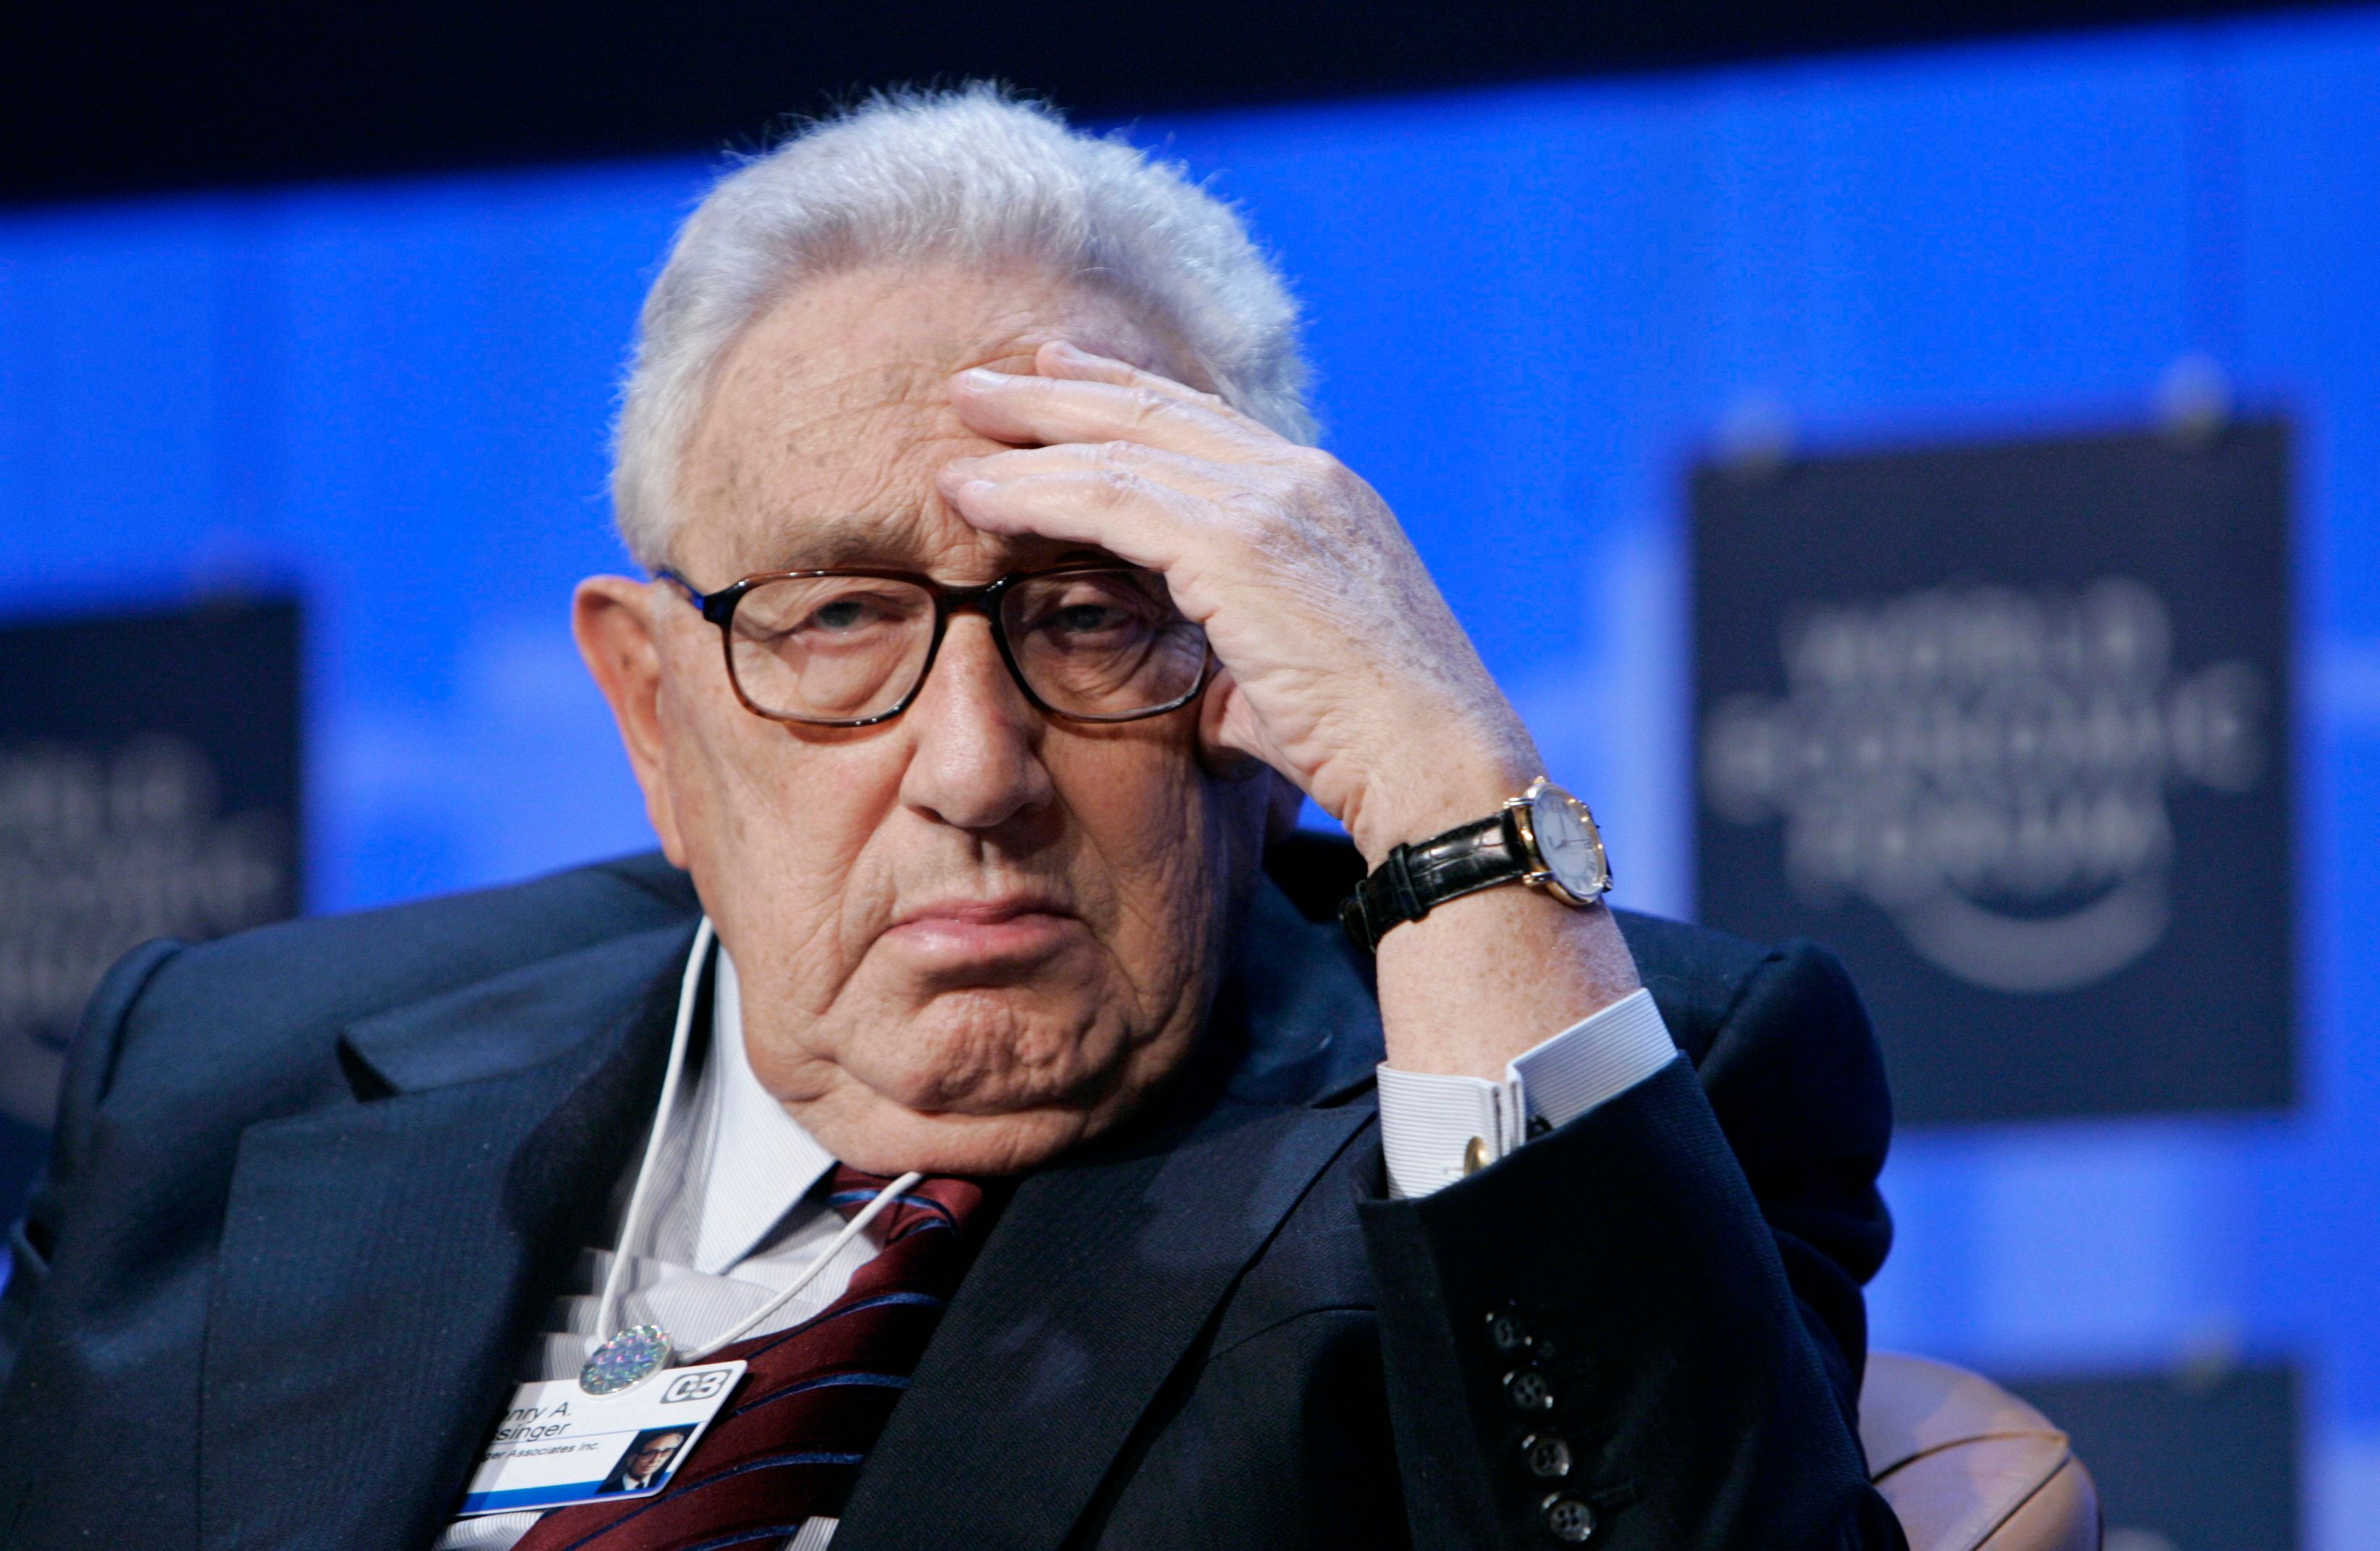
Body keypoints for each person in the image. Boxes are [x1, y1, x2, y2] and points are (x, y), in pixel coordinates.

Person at [0, 86, 1905, 1550]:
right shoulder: (216, 1078)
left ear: (1257, 672)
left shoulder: (1580, 1092)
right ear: (652, 708)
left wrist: (1446, 790)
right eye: (837, 617)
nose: (975, 767)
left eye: (1089, 611)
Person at [599, 1429, 692, 1496]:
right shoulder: (605, 1491)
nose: (655, 1459)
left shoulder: (676, 1484)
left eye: (666, 1451)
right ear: (631, 1456)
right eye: (649, 1453)